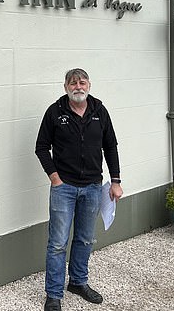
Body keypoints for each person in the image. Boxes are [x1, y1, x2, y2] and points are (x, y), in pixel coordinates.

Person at [35, 68, 123, 311]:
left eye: (82, 82)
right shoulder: (55, 112)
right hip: (63, 187)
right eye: (73, 83)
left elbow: (111, 146)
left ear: (89, 85)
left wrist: (115, 180)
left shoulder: (99, 111)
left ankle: (77, 282)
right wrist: (54, 177)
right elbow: (42, 147)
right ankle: (53, 294)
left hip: (93, 187)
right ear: (65, 87)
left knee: (85, 239)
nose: (78, 87)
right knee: (57, 243)